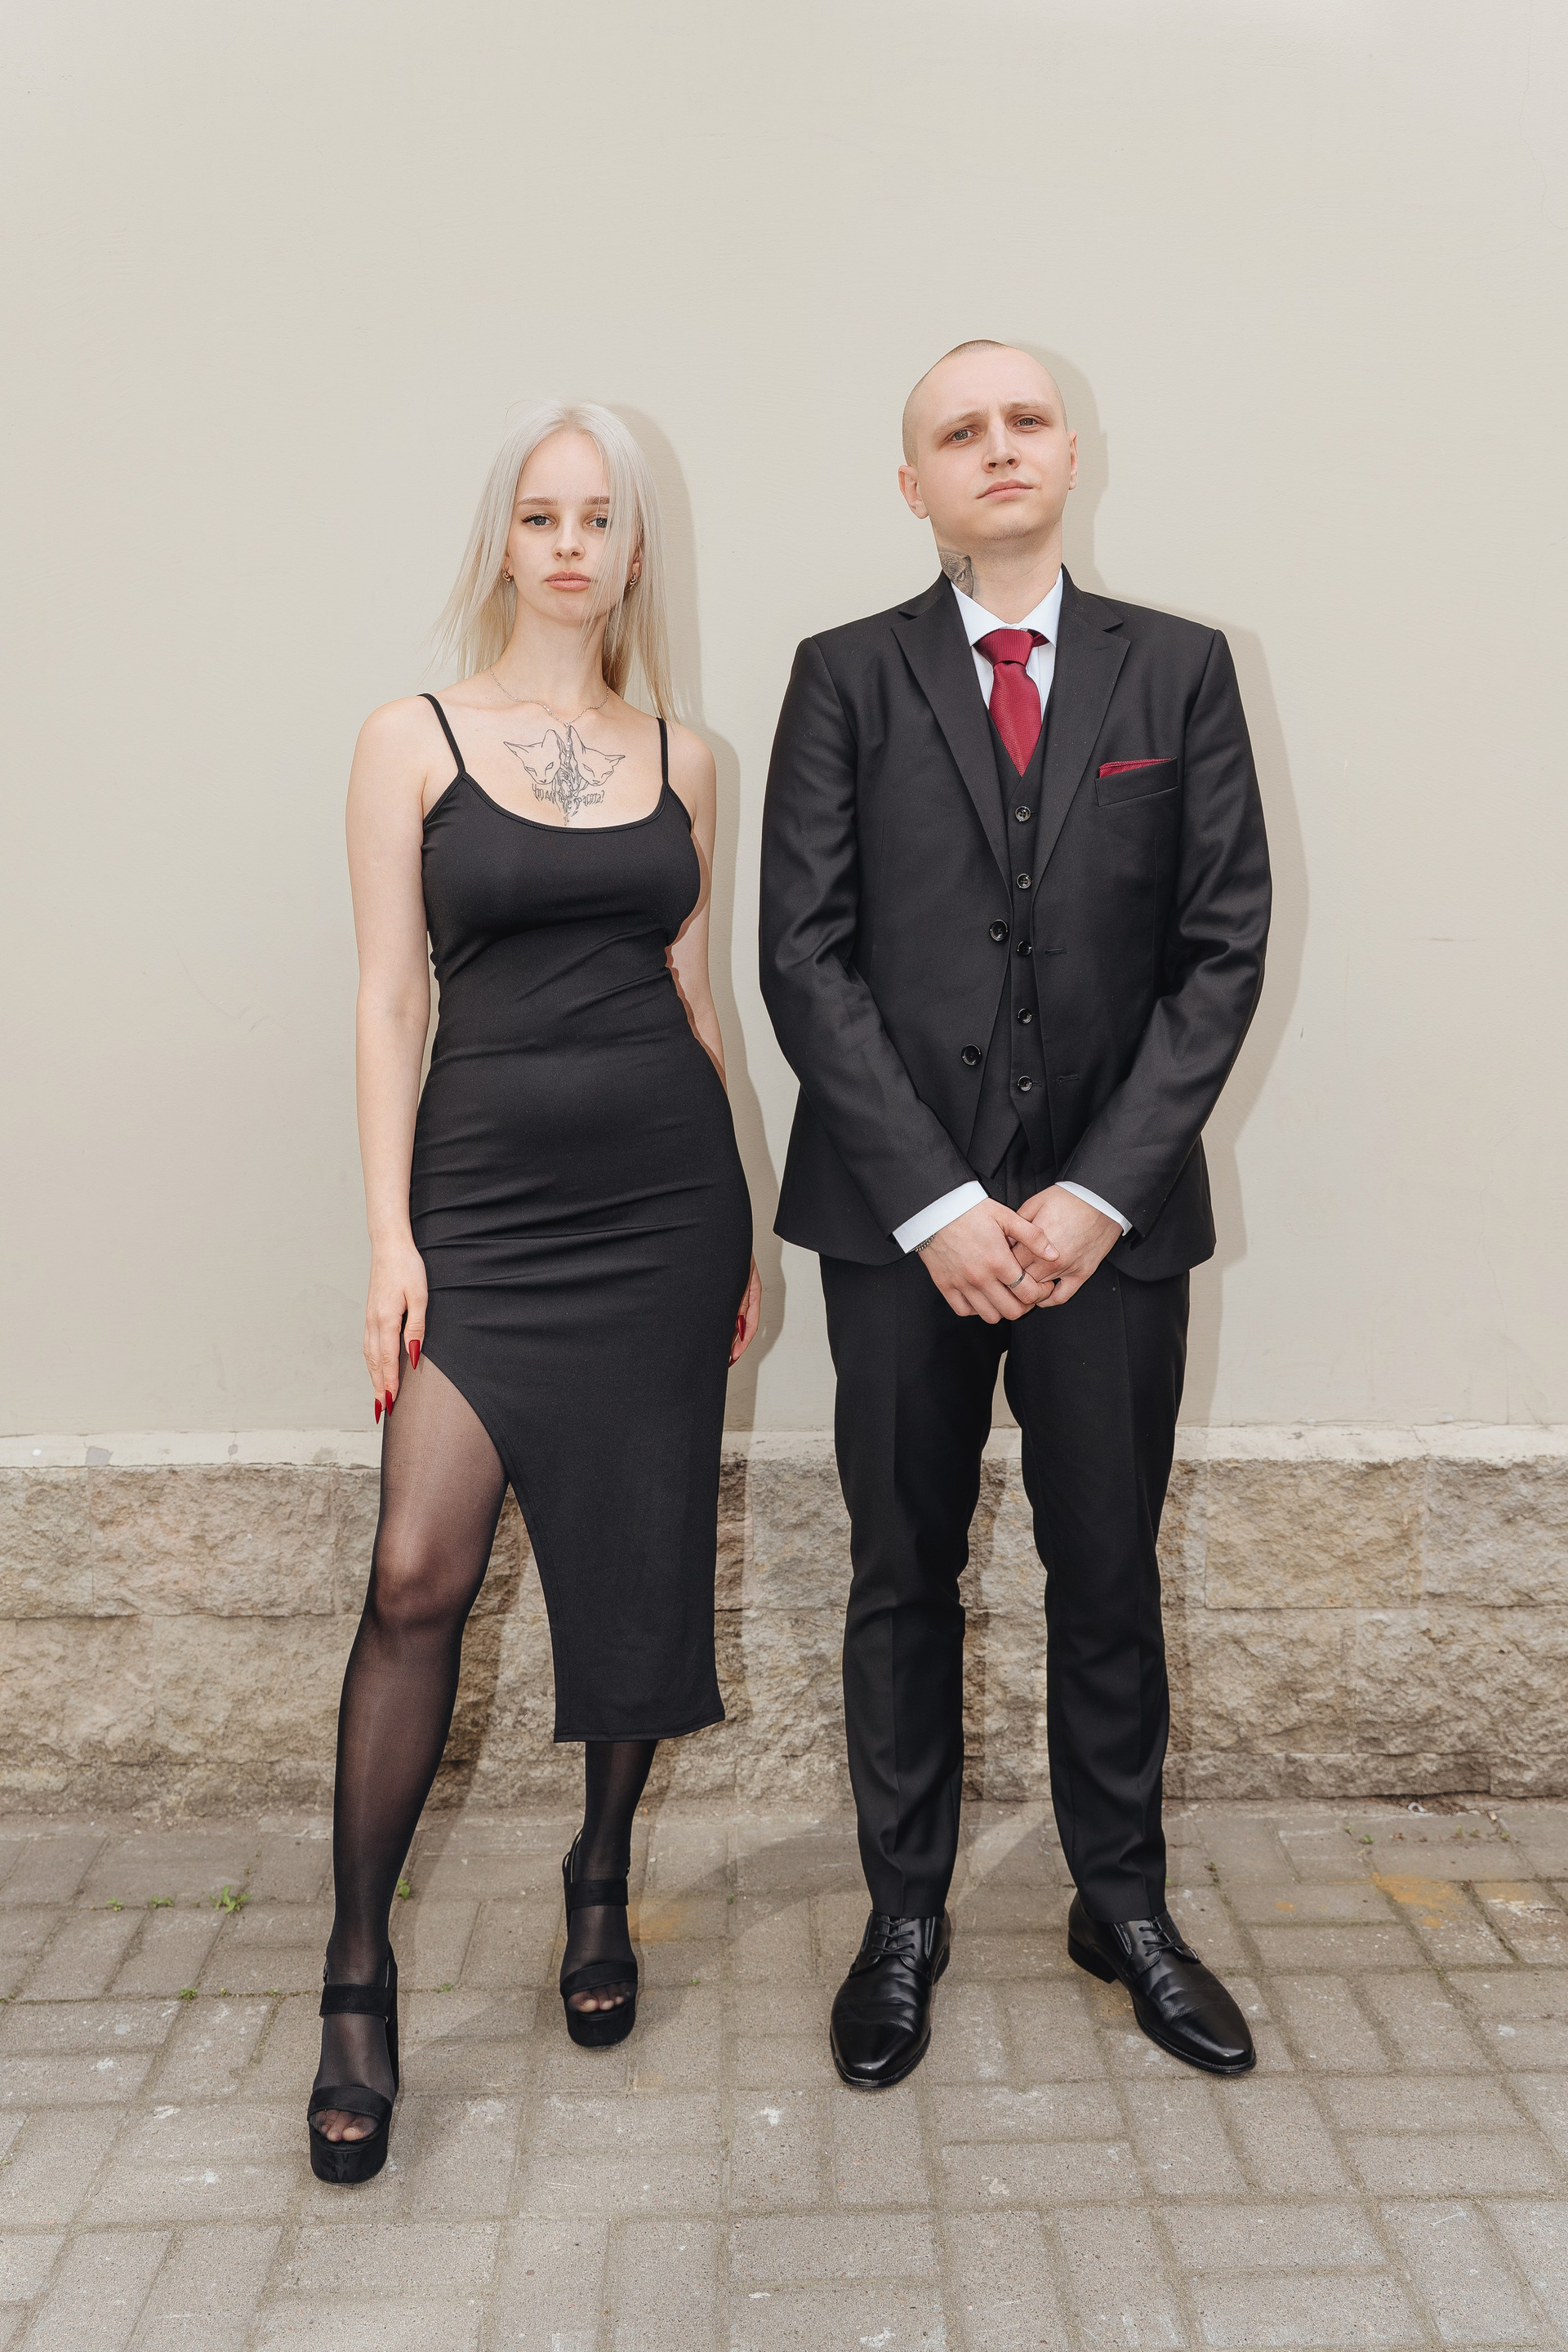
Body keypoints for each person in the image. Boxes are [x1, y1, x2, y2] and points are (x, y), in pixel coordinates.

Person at [760, 341, 1271, 2089]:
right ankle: (903, 1916)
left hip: (1109, 1233)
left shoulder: (1181, 671)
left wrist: (1100, 1192)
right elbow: (804, 957)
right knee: (903, 1574)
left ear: (1073, 453)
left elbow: (1222, 951)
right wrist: (939, 1202)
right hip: (905, 1230)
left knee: (1107, 1572)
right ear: (914, 485)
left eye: (1026, 420)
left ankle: (1121, 1903)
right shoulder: (843, 677)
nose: (999, 447)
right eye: (958, 431)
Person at [310, 404, 758, 2182]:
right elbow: (386, 999)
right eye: (541, 516)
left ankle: (599, 1879)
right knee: (417, 1575)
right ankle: (356, 1980)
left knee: (639, 1563)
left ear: (636, 551)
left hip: (666, 1203)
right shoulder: (408, 739)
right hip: (483, 1210)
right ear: (502, 541)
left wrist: (741, 1220)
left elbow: (699, 998)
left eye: (601, 519)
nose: (571, 546)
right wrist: (390, 1240)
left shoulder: (688, 757)